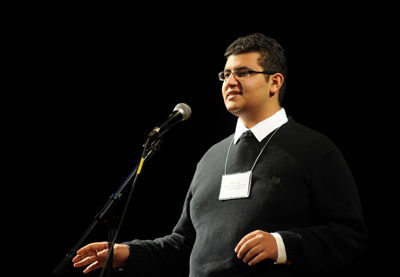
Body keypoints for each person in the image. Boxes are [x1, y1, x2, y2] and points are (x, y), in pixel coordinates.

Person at [72, 33, 367, 276]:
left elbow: (349, 234)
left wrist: (282, 245)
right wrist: (128, 252)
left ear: (275, 82)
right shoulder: (211, 158)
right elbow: (185, 244)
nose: (230, 81)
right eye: (225, 74)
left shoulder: (316, 149)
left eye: (243, 72)